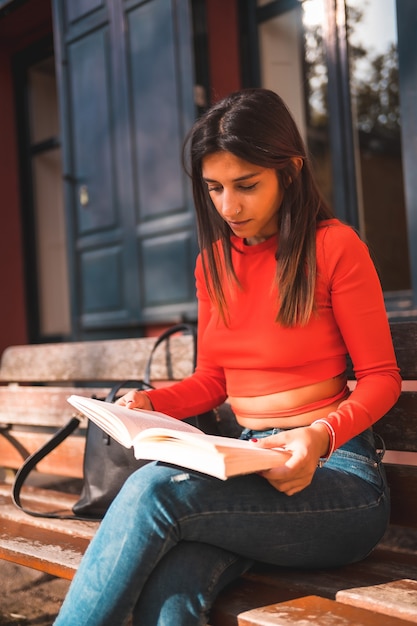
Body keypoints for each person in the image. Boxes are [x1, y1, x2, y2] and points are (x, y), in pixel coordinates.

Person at [54, 88, 401, 626]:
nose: (228, 206)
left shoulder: (334, 247)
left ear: (288, 170)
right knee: (172, 590)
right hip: (243, 466)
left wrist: (318, 437)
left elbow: (382, 379)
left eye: (246, 186)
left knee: (153, 489)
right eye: (214, 188)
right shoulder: (213, 262)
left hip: (338, 481)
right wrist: (147, 403)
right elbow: (214, 380)